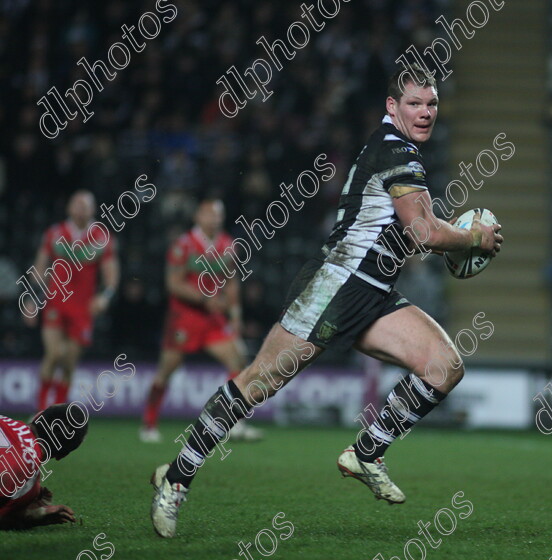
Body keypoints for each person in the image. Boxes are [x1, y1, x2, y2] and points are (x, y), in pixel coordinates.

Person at [150, 65, 503, 538]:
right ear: (391, 108)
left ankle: (366, 451)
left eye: (432, 103)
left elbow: (415, 232)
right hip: (336, 285)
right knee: (259, 383)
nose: (424, 112)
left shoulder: (403, 152)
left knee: (444, 365)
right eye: (414, 103)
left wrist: (455, 239)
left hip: (373, 291)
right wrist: (474, 238)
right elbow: (424, 231)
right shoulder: (396, 150)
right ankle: (175, 479)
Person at [140, 200, 262, 443]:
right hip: (184, 317)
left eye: (219, 215)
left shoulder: (227, 244)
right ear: (198, 216)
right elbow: (173, 284)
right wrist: (205, 298)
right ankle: (149, 423)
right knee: (167, 370)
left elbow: (231, 281)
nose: (215, 219)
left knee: (237, 358)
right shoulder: (183, 245)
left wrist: (235, 314)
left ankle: (234, 422)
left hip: (212, 318)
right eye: (210, 214)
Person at [25, 191, 119, 411]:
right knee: (54, 354)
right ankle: (41, 411)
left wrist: (105, 297)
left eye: (85, 205)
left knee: (68, 363)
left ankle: (57, 409)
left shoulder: (102, 237)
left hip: (83, 309)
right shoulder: (54, 233)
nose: (80, 209)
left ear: (93, 210)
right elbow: (39, 269)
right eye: (76, 204)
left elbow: (111, 276)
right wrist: (31, 299)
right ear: (68, 208)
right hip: (55, 302)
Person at [0, 404, 88, 529]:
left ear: (37, 416)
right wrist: (26, 516)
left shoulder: (3, 420)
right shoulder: (27, 486)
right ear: (62, 455)